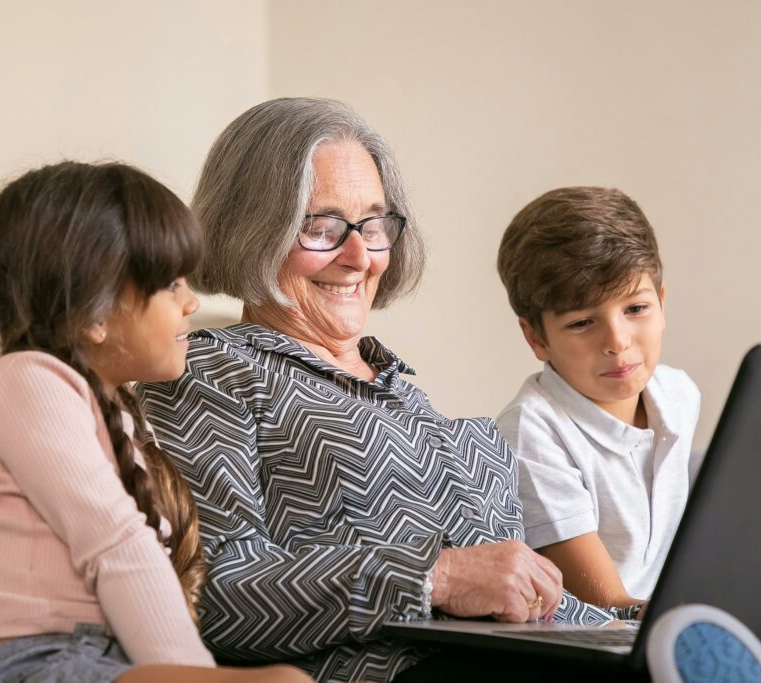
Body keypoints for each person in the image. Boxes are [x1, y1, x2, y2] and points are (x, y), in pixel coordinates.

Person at [138, 98, 638, 683]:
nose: (358, 257)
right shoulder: (209, 371)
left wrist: (629, 625)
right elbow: (208, 592)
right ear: (252, 229)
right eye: (320, 226)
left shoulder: (407, 397)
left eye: (373, 225)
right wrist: (434, 577)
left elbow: (523, 602)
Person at [0, 161, 310, 683]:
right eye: (172, 284)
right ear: (94, 315)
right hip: (14, 664)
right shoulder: (27, 381)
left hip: (89, 659)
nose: (192, 301)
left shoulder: (117, 409)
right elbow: (116, 543)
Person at [495, 187, 701, 610]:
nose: (617, 341)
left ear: (661, 304)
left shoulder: (679, 394)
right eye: (583, 322)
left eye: (636, 309)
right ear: (536, 337)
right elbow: (607, 605)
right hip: (597, 643)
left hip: (662, 621)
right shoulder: (531, 432)